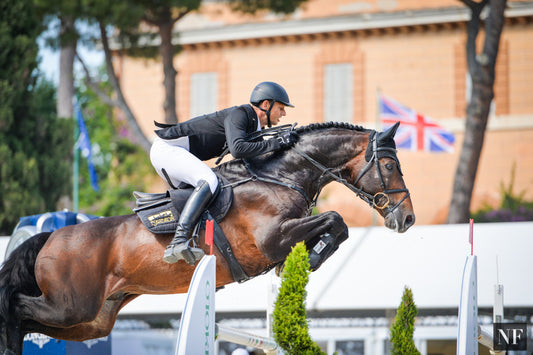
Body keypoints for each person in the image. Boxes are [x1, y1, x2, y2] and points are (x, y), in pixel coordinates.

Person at [150, 81, 297, 265]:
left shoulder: (253, 126)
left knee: (211, 196)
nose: (284, 113)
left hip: (175, 154)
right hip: (166, 149)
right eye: (281, 108)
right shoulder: (241, 114)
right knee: (210, 181)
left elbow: (252, 155)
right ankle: (178, 241)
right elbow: (238, 149)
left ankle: (198, 245)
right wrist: (277, 143)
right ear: (266, 105)